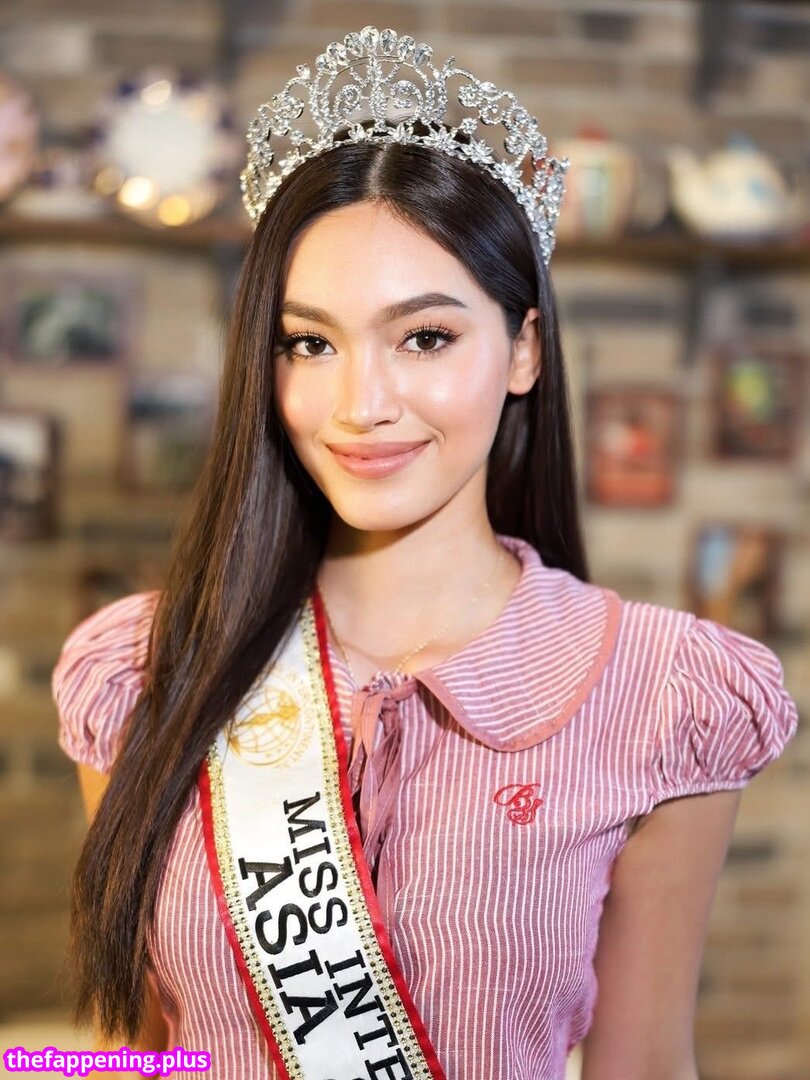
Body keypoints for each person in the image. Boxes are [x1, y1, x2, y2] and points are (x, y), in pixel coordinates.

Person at [52, 26, 799, 1080]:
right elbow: (134, 1054)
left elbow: (642, 1064)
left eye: (426, 337)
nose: (361, 404)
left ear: (524, 349)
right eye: (310, 343)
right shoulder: (148, 669)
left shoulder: (660, 693)